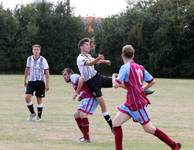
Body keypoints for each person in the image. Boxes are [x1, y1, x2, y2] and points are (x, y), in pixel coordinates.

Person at [112, 44, 181, 150]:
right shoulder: (140, 67)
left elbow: (115, 85)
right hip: (130, 102)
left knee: (149, 128)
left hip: (136, 104)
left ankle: (174, 145)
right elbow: (152, 81)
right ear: (133, 55)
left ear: (122, 55)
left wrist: (113, 77)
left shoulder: (125, 67)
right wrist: (142, 89)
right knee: (116, 123)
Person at [76, 37, 113, 131]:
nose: (88, 46)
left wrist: (105, 61)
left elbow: (95, 61)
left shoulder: (88, 55)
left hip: (98, 77)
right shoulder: (80, 58)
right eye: (86, 45)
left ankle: (140, 90)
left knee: (116, 81)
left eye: (89, 45)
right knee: (102, 103)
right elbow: (90, 63)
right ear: (81, 47)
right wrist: (98, 58)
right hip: (92, 83)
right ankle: (112, 126)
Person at [62, 68, 99, 143]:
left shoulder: (73, 76)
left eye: (65, 74)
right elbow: (84, 87)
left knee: (82, 114)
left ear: (70, 74)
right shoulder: (73, 81)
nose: (64, 77)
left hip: (91, 97)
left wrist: (76, 93)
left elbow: (81, 79)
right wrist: (81, 96)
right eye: (63, 75)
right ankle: (85, 136)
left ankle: (86, 138)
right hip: (86, 97)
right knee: (76, 115)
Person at [24, 44, 49, 121]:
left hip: (40, 82)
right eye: (34, 49)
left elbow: (47, 72)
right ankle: (32, 113)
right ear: (32, 50)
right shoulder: (29, 59)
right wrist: (25, 80)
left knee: (39, 99)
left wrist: (47, 84)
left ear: (40, 51)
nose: (36, 51)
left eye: (37, 50)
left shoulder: (43, 60)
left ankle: (39, 117)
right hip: (31, 81)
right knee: (27, 97)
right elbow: (27, 69)